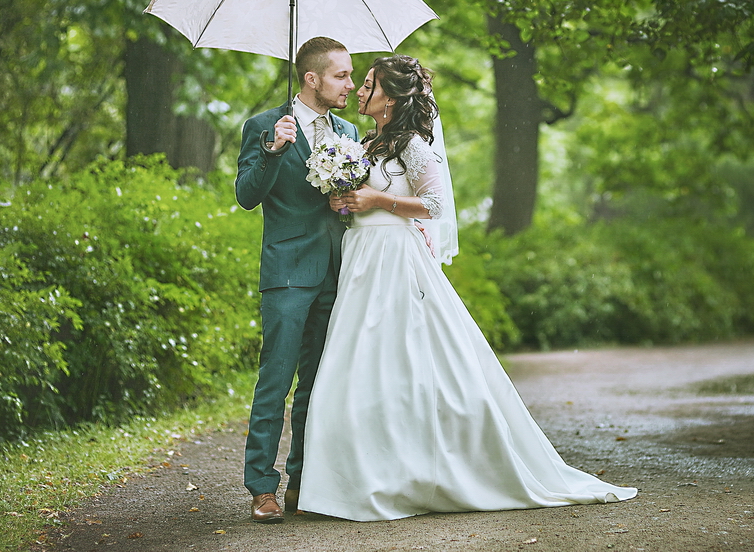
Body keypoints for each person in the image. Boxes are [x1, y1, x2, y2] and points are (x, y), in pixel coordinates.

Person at [297, 55, 637, 521]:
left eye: (369, 84)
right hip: (361, 259)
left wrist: (378, 199)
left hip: (395, 260)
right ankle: (357, 479)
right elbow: (364, 203)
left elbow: (435, 204)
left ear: (391, 98)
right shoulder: (369, 142)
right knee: (355, 366)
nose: (359, 90)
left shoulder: (413, 145)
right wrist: (346, 201)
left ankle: (421, 473)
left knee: (401, 363)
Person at [234, 36, 359, 524]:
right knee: (276, 380)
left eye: (349, 76)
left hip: (338, 269)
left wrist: (346, 199)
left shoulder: (348, 129)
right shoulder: (264, 126)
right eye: (341, 76)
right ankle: (261, 486)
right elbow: (247, 195)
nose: (350, 84)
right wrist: (273, 150)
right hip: (287, 271)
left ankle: (302, 481)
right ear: (311, 79)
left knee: (317, 383)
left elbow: (352, 195)